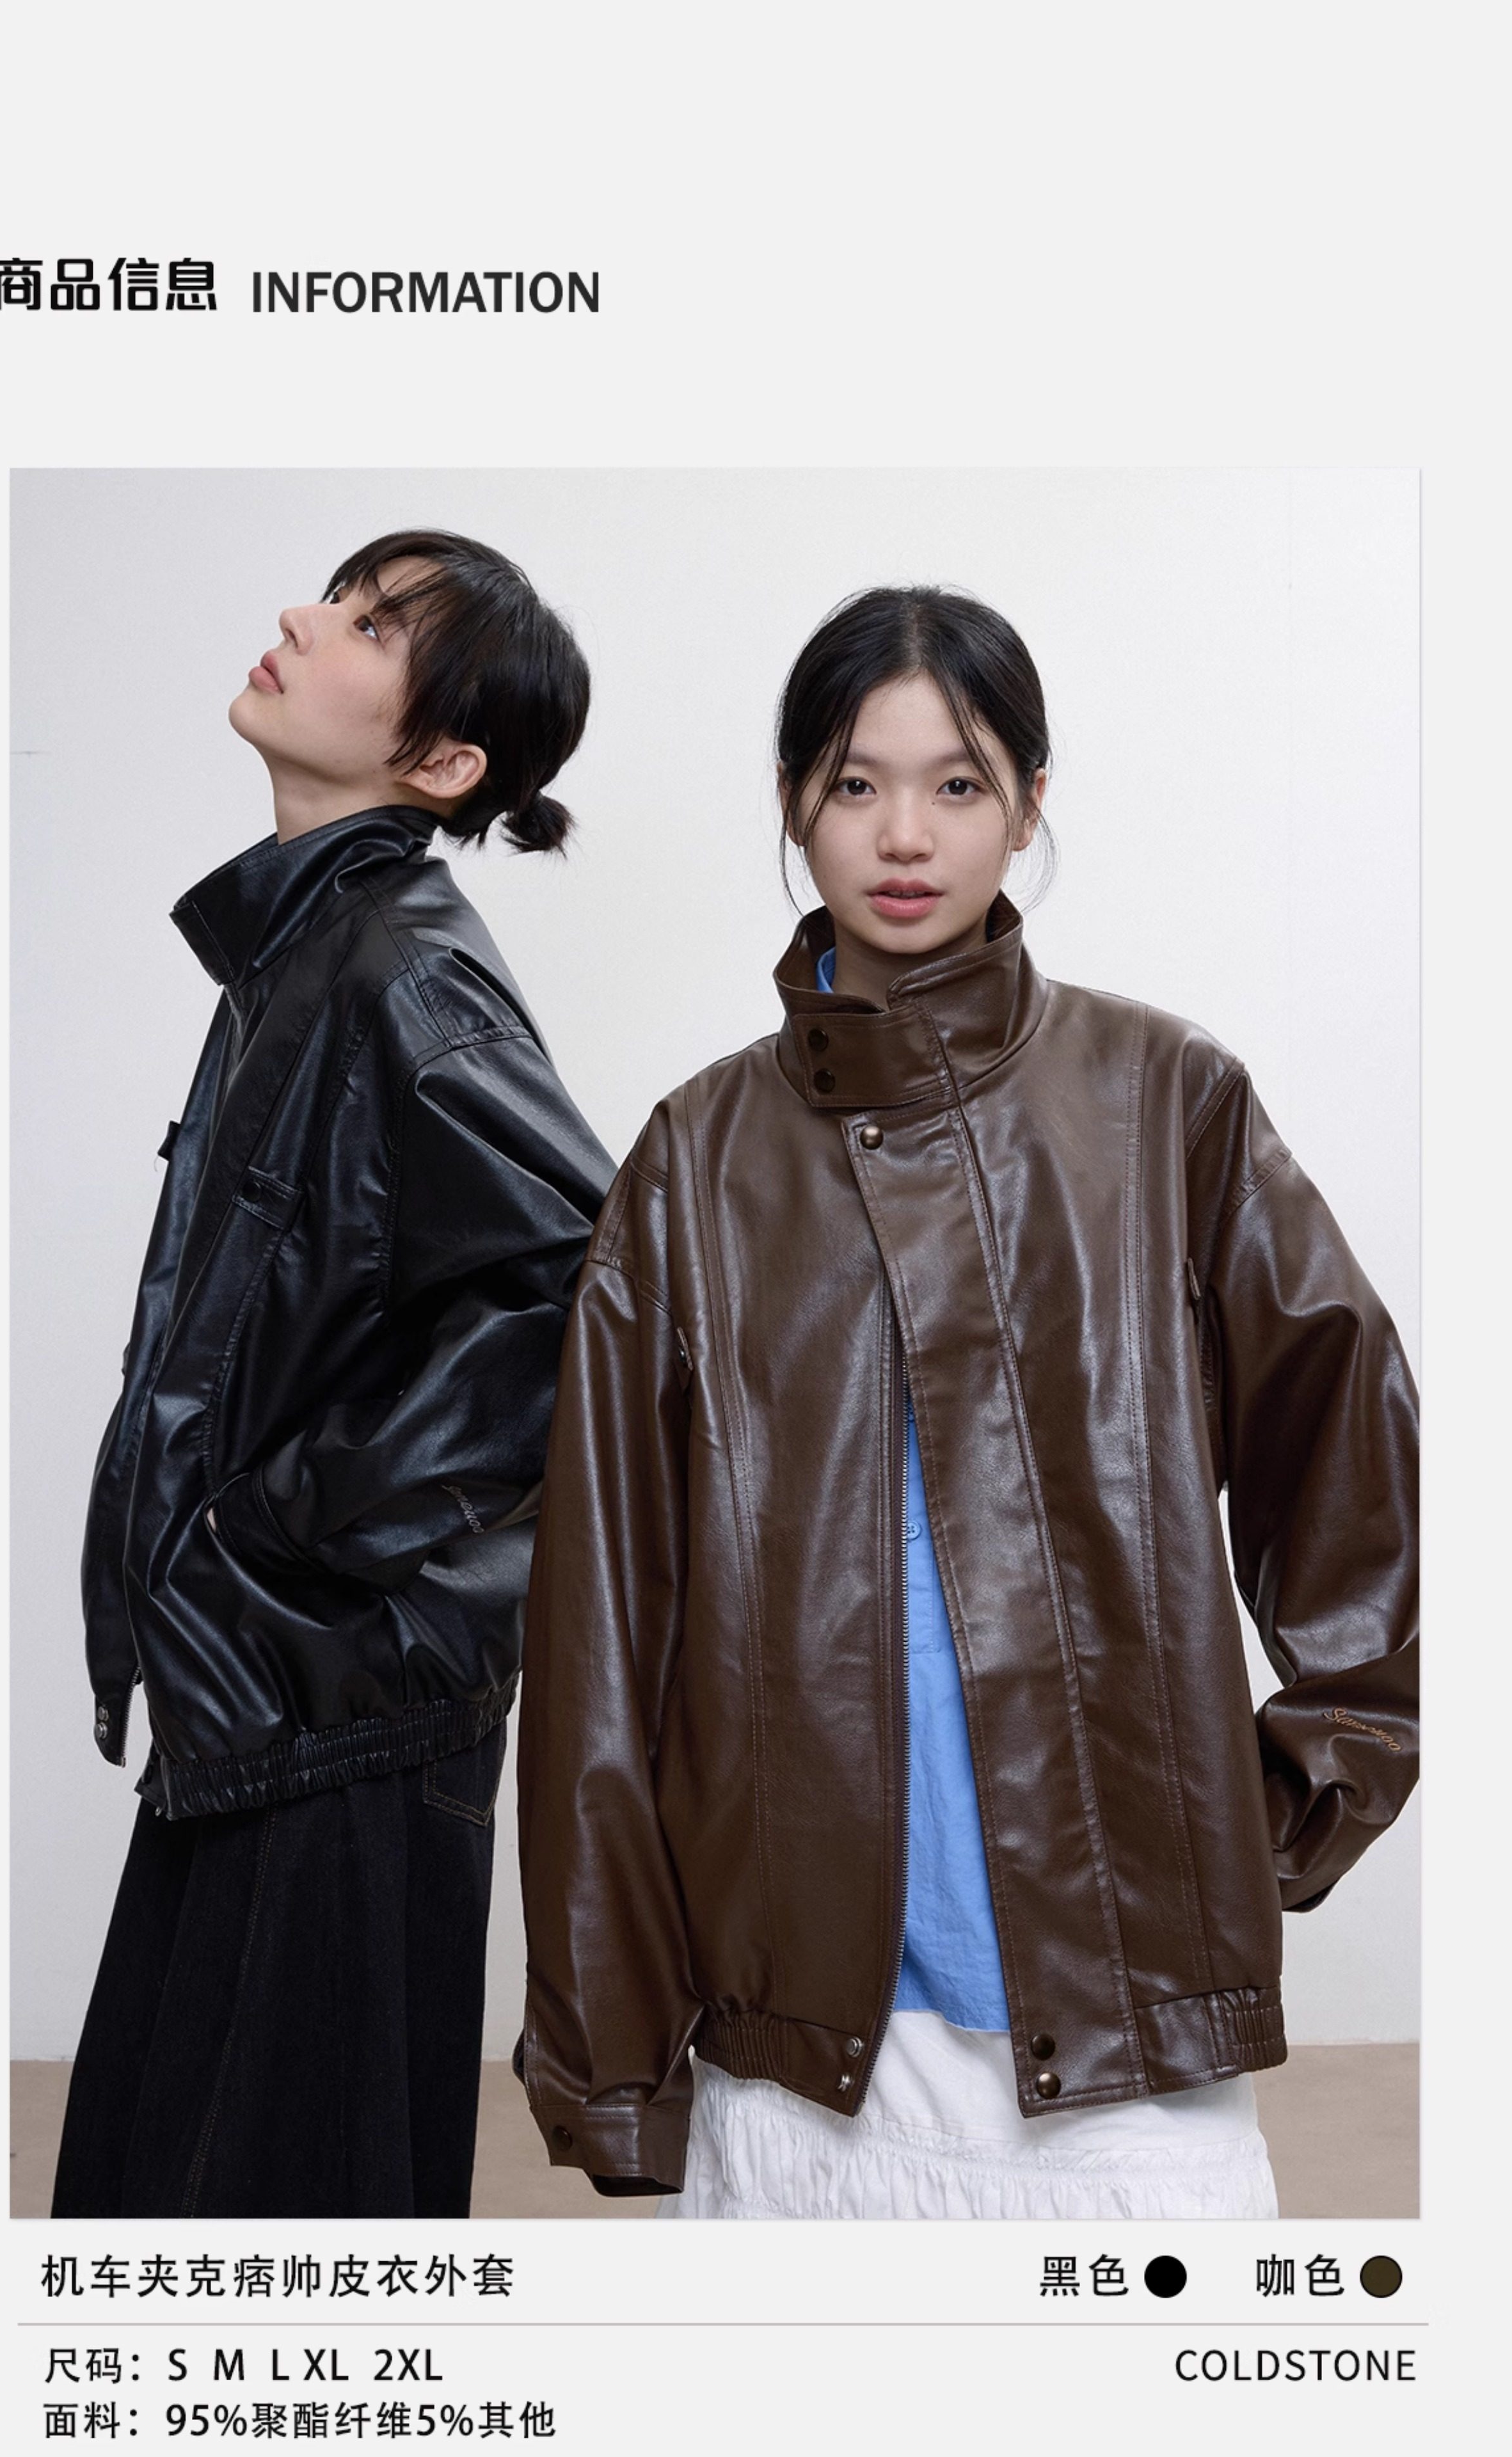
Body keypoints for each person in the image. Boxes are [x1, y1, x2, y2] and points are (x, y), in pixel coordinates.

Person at [515, 585, 1418, 2220]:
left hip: (1125, 2068)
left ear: (1029, 803)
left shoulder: (1164, 1100)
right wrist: (612, 2067)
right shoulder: (693, 1162)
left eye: (957, 783)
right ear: (793, 804)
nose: (903, 835)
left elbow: (1358, 1469)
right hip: (789, 2063)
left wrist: (1267, 1814)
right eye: (855, 784)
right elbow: (600, 1636)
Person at [52, 529, 614, 2220]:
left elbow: (581, 1296)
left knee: (273, 2231)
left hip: (337, 1705)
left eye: (369, 625)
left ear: (441, 764)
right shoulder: (311, 952)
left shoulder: (401, 967)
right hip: (280, 1696)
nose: (300, 620)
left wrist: (277, 1526)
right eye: (337, 596)